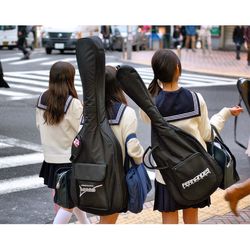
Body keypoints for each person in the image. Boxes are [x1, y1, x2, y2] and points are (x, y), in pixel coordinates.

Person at [140, 49, 243, 224]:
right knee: (191, 221)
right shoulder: (195, 99)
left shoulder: (150, 106)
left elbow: (146, 118)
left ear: (157, 73)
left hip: (167, 175)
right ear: (178, 69)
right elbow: (207, 135)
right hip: (195, 170)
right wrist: (225, 113)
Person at [36, 61, 90, 224]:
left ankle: (86, 225)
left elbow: (39, 125)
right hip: (69, 161)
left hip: (51, 160)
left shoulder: (42, 99)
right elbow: (82, 132)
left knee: (69, 200)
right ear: (70, 79)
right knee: (68, 203)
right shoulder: (72, 103)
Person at [98, 65, 144, 224]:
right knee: (108, 222)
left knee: (104, 219)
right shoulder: (125, 112)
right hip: (116, 177)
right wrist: (141, 159)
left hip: (91, 173)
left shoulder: (88, 111)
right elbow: (133, 148)